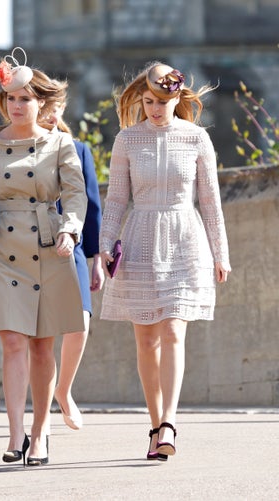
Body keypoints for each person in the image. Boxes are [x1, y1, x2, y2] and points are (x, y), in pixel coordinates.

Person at [0, 47, 87, 466]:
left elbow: (75, 196)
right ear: (3, 101)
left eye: (26, 98)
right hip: (1, 250)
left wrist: (70, 229)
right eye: (11, 98)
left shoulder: (60, 143)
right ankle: (15, 434)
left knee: (41, 347)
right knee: (12, 341)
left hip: (49, 246)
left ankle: (41, 431)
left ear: (42, 103)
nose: (17, 105)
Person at [99, 62, 231, 461]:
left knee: (174, 329)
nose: (155, 108)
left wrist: (220, 252)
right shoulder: (126, 139)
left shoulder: (196, 139)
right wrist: (105, 244)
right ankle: (155, 424)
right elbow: (117, 198)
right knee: (146, 339)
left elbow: (210, 201)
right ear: (141, 98)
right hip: (139, 239)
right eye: (149, 101)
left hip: (185, 241)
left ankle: (170, 423)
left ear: (177, 98)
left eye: (162, 101)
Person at [46, 93, 105, 430]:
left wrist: (97, 257)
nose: (51, 119)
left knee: (80, 322)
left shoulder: (79, 149)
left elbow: (92, 206)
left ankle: (63, 390)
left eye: (56, 112)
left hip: (74, 246)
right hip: (32, 247)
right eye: (46, 112)